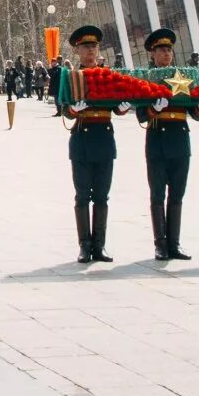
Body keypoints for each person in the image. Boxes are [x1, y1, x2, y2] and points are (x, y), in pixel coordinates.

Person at [136, 29, 199, 261]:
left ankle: (174, 243)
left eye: (168, 50)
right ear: (153, 54)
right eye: (161, 50)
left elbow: (194, 113)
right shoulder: (146, 78)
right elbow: (141, 115)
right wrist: (153, 110)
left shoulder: (182, 78)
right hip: (157, 139)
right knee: (157, 194)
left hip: (179, 140)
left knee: (177, 194)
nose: (166, 54)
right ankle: (160, 244)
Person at [62, 26, 130, 264]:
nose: (90, 50)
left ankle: (99, 245)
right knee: (82, 196)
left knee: (102, 196)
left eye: (93, 46)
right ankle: (84, 246)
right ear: (77, 50)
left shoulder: (108, 75)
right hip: (81, 139)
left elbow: (116, 105)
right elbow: (64, 108)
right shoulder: (71, 76)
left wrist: (122, 108)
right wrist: (72, 110)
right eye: (85, 47)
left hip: (104, 139)